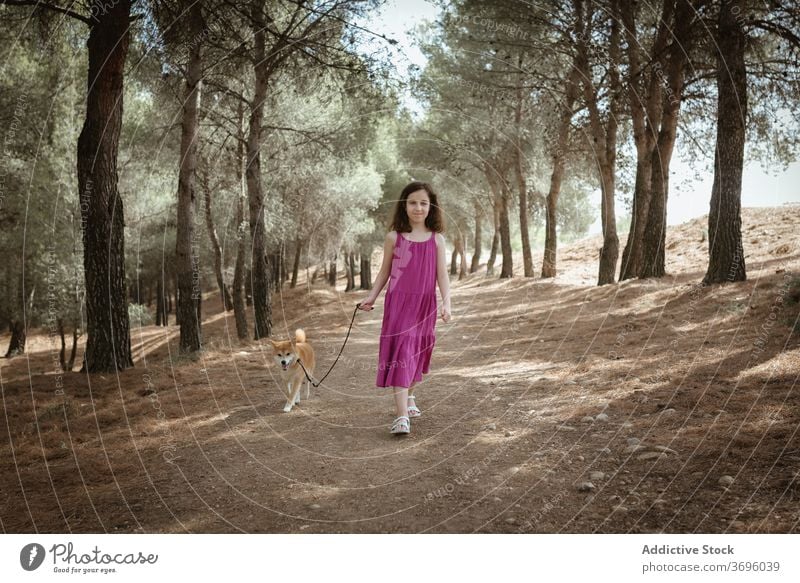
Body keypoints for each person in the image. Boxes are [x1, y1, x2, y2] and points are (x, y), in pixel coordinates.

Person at [358, 181, 451, 435]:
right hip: (398, 304)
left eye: (423, 203)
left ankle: (410, 397)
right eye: (412, 202)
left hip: (424, 305)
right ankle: (401, 418)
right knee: (402, 352)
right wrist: (371, 297)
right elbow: (384, 272)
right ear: (404, 206)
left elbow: (442, 275)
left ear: (431, 207)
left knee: (417, 352)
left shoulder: (437, 240)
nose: (418, 208)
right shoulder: (394, 238)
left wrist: (447, 303)